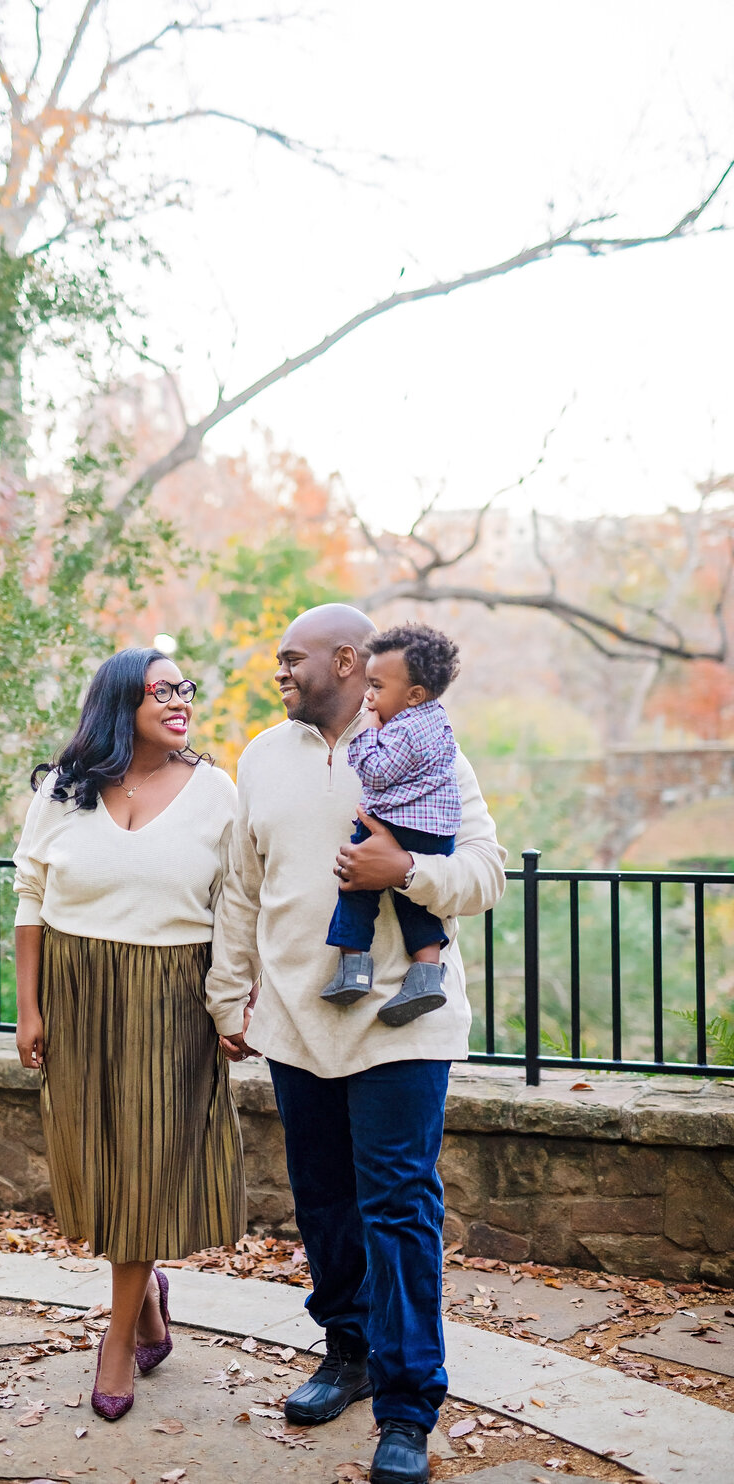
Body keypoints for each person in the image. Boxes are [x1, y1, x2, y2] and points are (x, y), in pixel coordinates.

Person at [205, 604, 506, 1484]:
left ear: (347, 660)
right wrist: (230, 998)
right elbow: (240, 887)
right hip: (297, 1022)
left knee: (399, 1210)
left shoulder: (425, 746)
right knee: (325, 1201)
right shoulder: (262, 756)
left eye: (293, 659)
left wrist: (404, 873)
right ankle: (348, 1350)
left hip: (403, 1028)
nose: (281, 673)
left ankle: (408, 1407)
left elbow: (485, 872)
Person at [13, 647, 246, 1422]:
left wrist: (229, 1003)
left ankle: (115, 1344)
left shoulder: (216, 791)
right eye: (162, 690)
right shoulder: (63, 788)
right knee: (96, 1163)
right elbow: (30, 895)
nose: (181, 700)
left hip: (171, 996)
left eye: (186, 687)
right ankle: (145, 1292)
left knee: (145, 1165)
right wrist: (30, 1007)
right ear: (122, 702)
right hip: (76, 993)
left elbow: (235, 905)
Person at [322, 622, 462, 1027]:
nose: (368, 696)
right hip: (436, 831)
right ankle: (426, 975)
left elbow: (377, 773)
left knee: (355, 885)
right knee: (414, 902)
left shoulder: (402, 727)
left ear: (414, 695)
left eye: (377, 687)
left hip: (399, 822)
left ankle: (354, 969)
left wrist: (366, 730)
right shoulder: (438, 722)